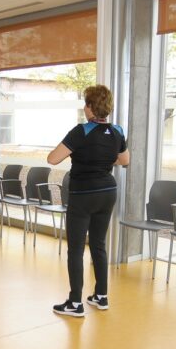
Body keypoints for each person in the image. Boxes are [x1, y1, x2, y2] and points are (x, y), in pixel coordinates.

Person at [47, 85, 129, 317]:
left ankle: (75, 303)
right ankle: (101, 296)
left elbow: (53, 158)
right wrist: (101, 159)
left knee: (75, 249)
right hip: (108, 192)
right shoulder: (117, 131)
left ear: (90, 107)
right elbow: (124, 160)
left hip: (83, 195)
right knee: (98, 244)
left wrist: (83, 156)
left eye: (86, 103)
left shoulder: (81, 131)